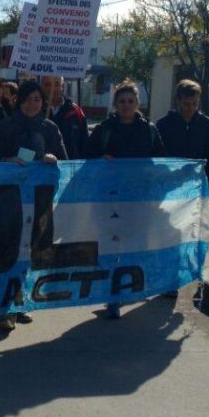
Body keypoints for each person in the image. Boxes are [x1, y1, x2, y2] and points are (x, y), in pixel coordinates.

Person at [0, 79, 67, 331]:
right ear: (18, 101)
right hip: (8, 198)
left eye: (37, 99)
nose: (33, 104)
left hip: (39, 200)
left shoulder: (50, 128)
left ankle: (19, 302)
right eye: (28, 99)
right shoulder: (4, 127)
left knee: (31, 249)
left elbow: (66, 161)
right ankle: (5, 306)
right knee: (8, 248)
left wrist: (54, 159)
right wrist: (7, 161)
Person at [86, 80, 166, 319]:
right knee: (112, 247)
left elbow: (161, 161)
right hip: (110, 199)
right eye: (122, 101)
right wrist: (101, 158)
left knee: (134, 246)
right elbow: (87, 156)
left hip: (139, 200)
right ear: (115, 103)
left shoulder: (149, 130)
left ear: (137, 102)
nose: (126, 105)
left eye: (130, 101)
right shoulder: (104, 129)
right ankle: (112, 296)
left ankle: (125, 290)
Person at [157, 78, 209, 307]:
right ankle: (169, 280)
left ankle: (192, 275)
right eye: (186, 104)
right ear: (178, 101)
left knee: (192, 234)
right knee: (171, 233)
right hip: (170, 190)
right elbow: (157, 158)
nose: (190, 109)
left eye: (194, 104)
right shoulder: (164, 125)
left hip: (195, 189)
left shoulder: (206, 125)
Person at [41, 76, 88, 160]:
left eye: (56, 84)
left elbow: (85, 144)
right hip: (42, 164)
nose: (52, 88)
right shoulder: (35, 110)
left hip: (70, 165)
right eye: (48, 84)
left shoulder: (76, 112)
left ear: (62, 86)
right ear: (43, 86)